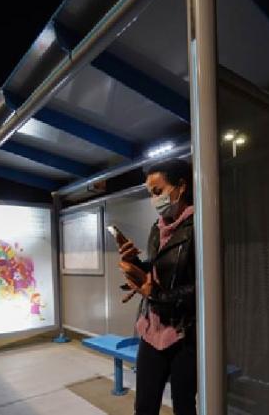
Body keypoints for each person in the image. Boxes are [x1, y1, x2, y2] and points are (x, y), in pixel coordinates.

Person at [117, 158, 196, 415]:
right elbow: (158, 268)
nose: (154, 199)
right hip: (151, 328)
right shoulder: (157, 228)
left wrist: (158, 294)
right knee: (144, 406)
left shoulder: (199, 228)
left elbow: (204, 288)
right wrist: (133, 262)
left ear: (181, 187)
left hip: (183, 334)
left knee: (184, 406)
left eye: (158, 191)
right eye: (150, 193)